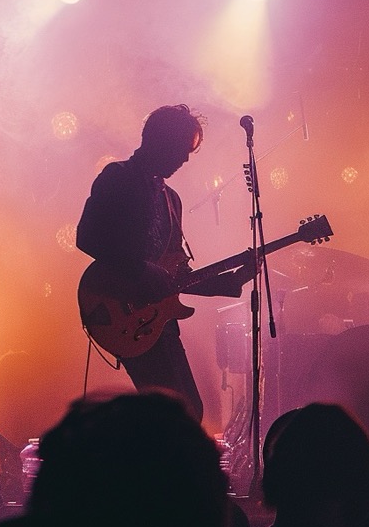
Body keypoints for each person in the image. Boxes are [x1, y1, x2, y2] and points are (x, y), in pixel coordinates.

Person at [76, 105, 250, 422]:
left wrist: (230, 282)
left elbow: (176, 276)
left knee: (188, 411)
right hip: (122, 312)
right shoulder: (118, 178)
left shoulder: (172, 199)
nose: (184, 160)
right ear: (160, 141)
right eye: (181, 150)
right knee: (174, 415)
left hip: (159, 321)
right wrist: (140, 269)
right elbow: (86, 237)